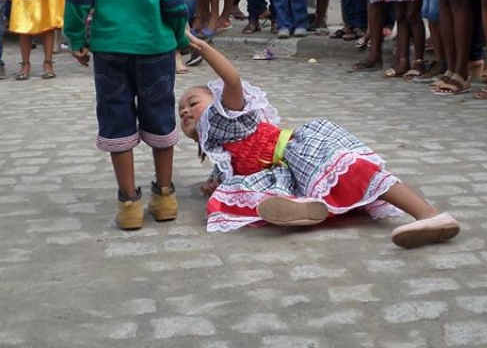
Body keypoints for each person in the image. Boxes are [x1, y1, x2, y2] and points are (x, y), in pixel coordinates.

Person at [178, 33, 461, 247]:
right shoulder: (219, 147)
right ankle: (305, 209)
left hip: (299, 150)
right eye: (181, 112)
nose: (186, 111)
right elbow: (229, 173)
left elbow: (232, 79)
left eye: (193, 103)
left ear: (217, 100)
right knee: (230, 198)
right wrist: (212, 184)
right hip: (282, 173)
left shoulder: (230, 115)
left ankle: (428, 215)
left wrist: (201, 47)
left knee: (355, 172)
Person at [64, 0, 189, 230]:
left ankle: (129, 203)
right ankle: (164, 197)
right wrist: (180, 39)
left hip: (109, 48)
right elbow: (175, 4)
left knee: (116, 118)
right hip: (156, 48)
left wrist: (75, 36)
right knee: (161, 118)